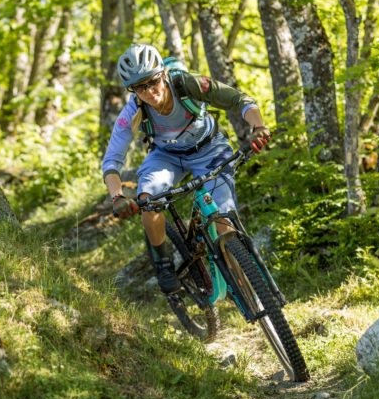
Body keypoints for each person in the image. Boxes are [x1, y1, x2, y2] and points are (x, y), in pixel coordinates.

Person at [101, 43, 272, 294]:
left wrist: (258, 127)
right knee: (148, 199)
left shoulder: (187, 84)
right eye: (139, 87)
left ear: (163, 74)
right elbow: (112, 161)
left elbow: (239, 100)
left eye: (153, 82)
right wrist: (117, 196)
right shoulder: (132, 111)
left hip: (210, 148)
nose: (149, 92)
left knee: (223, 218)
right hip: (165, 157)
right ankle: (163, 264)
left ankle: (245, 285)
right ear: (133, 90)